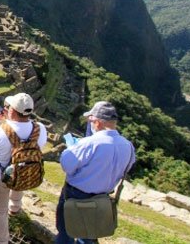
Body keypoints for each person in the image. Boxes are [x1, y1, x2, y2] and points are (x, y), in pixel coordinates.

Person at [55, 102, 136, 244]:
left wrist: (72, 149)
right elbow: (126, 168)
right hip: (101, 198)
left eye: (90, 120)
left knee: (65, 232)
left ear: (97, 122)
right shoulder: (128, 146)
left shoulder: (90, 143)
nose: (90, 124)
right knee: (88, 235)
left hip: (76, 194)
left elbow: (67, 165)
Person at [0, 93, 48, 244]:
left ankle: (0, 239)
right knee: (20, 172)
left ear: (12, 111)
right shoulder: (40, 129)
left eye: (9, 107)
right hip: (27, 171)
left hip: (0, 175)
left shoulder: (0, 129)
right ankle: (15, 207)